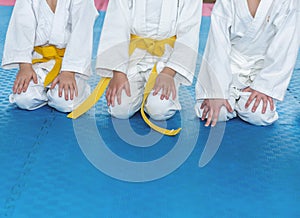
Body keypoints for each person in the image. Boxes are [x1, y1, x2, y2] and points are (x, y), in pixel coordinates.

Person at [95, 0, 202, 134]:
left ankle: (155, 94)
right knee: (119, 109)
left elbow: (189, 33)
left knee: (159, 110)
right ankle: (140, 94)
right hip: (133, 57)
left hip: (167, 60)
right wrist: (118, 73)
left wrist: (169, 73)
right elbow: (116, 24)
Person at [195, 0, 300, 127]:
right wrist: (217, 91)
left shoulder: (289, 3)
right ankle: (230, 98)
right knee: (216, 113)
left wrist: (264, 87)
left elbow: (285, 47)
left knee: (259, 115)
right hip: (229, 65)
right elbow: (217, 45)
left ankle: (242, 99)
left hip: (260, 70)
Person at [1, 0, 98, 112]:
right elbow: (21, 26)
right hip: (40, 61)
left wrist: (69, 72)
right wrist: (25, 66)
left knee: (65, 102)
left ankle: (82, 90)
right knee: (24, 99)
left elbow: (81, 33)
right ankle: (47, 91)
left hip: (69, 62)